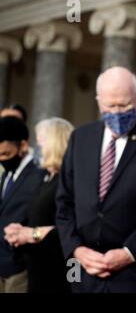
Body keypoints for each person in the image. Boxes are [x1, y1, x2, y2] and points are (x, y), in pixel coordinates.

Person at [55, 67, 136, 293]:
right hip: (83, 272)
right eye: (110, 106)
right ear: (99, 102)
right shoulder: (80, 138)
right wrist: (77, 250)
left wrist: (128, 253)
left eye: (124, 105)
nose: (117, 112)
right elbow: (64, 202)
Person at [4, 117, 74, 293]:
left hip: (60, 273)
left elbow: (73, 230)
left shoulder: (69, 181)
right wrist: (19, 230)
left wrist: (30, 234)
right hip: (37, 271)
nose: (36, 148)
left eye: (41, 142)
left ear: (55, 144)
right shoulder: (46, 178)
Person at [0, 117, 44, 292]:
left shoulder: (39, 176)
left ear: (23, 146)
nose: (2, 159)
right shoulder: (7, 175)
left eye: (6, 154)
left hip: (22, 268)